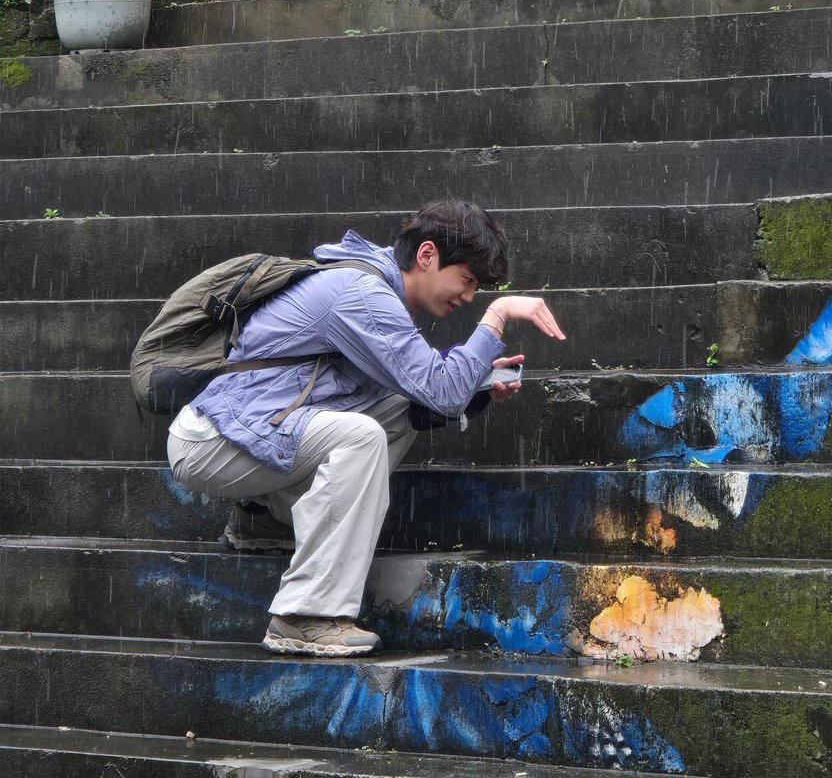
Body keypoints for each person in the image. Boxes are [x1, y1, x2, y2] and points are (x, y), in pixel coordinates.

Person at [166, 200, 565, 659]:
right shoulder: (363, 295)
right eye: (468, 280)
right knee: (362, 436)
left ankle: (267, 516)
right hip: (212, 440)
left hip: (252, 431)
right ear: (427, 255)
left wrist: (478, 380)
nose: (468, 297)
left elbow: (427, 395)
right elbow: (440, 390)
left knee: (399, 409)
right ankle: (305, 615)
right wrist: (496, 317)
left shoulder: (377, 293)